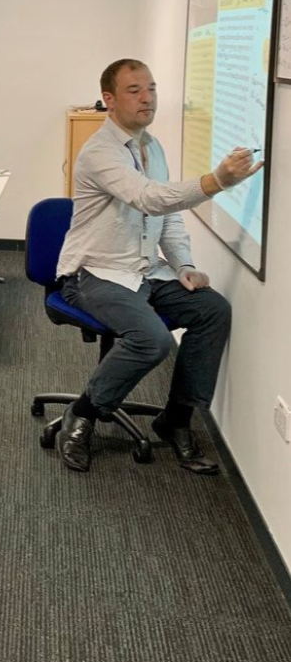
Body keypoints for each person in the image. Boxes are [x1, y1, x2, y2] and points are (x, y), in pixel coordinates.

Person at [54, 58, 263, 475]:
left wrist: (183, 263)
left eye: (151, 88)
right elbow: (148, 198)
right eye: (134, 90)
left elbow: (167, 215)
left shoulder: (153, 147)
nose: (147, 97)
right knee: (153, 340)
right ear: (109, 99)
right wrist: (217, 180)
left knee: (212, 310)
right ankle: (82, 414)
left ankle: (176, 420)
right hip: (96, 272)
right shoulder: (100, 152)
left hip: (147, 271)